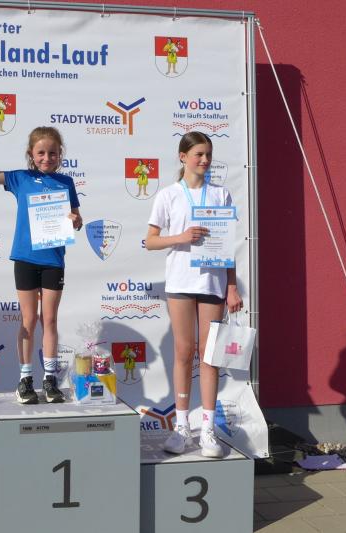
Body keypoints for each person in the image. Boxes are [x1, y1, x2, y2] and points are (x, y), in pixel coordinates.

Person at [145, 131, 242, 458]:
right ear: (183, 157)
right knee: (184, 352)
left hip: (212, 284)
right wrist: (181, 237)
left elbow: (226, 246)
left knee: (210, 356)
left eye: (208, 154)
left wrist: (231, 286)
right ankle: (182, 427)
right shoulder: (168, 195)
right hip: (180, 282)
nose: (204, 160)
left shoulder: (221, 194)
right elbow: (150, 241)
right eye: (198, 154)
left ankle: (209, 430)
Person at [0, 125, 82, 404]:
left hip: (53, 260)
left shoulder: (66, 182)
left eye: (53, 153)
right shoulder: (20, 178)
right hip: (25, 258)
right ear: (31, 154)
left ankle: (50, 379)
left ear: (60, 154)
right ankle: (25, 379)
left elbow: (77, 219)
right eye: (41, 153)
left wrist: (75, 221)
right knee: (28, 320)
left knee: (50, 320)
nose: (47, 158)